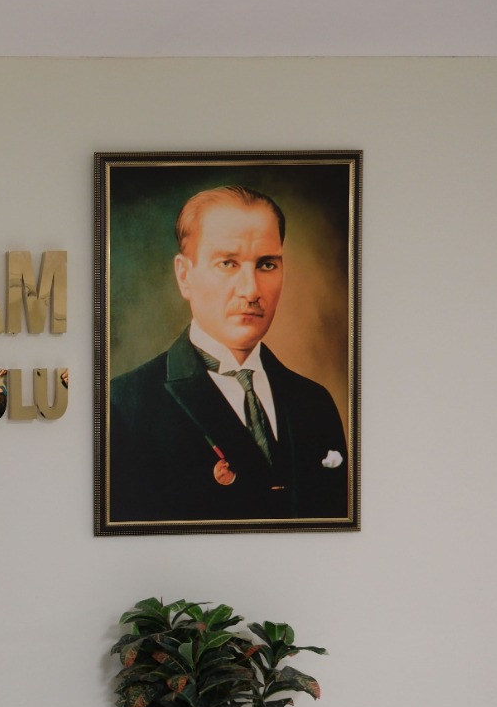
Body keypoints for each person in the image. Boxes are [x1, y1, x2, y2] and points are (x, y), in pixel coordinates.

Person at [108, 185, 350, 524]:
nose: (251, 290)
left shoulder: (315, 403)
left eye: (267, 264)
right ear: (184, 276)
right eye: (227, 263)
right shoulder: (124, 407)